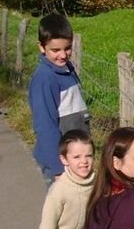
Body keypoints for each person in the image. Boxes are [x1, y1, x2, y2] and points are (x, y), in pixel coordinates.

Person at [28, 13, 91, 186]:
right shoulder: (45, 79)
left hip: (76, 158)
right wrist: (58, 169)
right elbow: (45, 126)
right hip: (62, 163)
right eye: (55, 50)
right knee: (63, 210)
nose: (63, 55)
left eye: (67, 48)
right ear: (41, 47)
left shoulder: (66, 69)